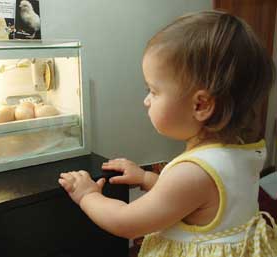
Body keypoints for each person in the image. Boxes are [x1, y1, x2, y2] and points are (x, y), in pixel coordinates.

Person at [58, 10, 277, 257]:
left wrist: (88, 195)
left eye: (154, 91)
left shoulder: (193, 172)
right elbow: (197, 201)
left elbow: (127, 221)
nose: (146, 101)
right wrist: (144, 178)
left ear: (201, 105)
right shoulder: (243, 148)